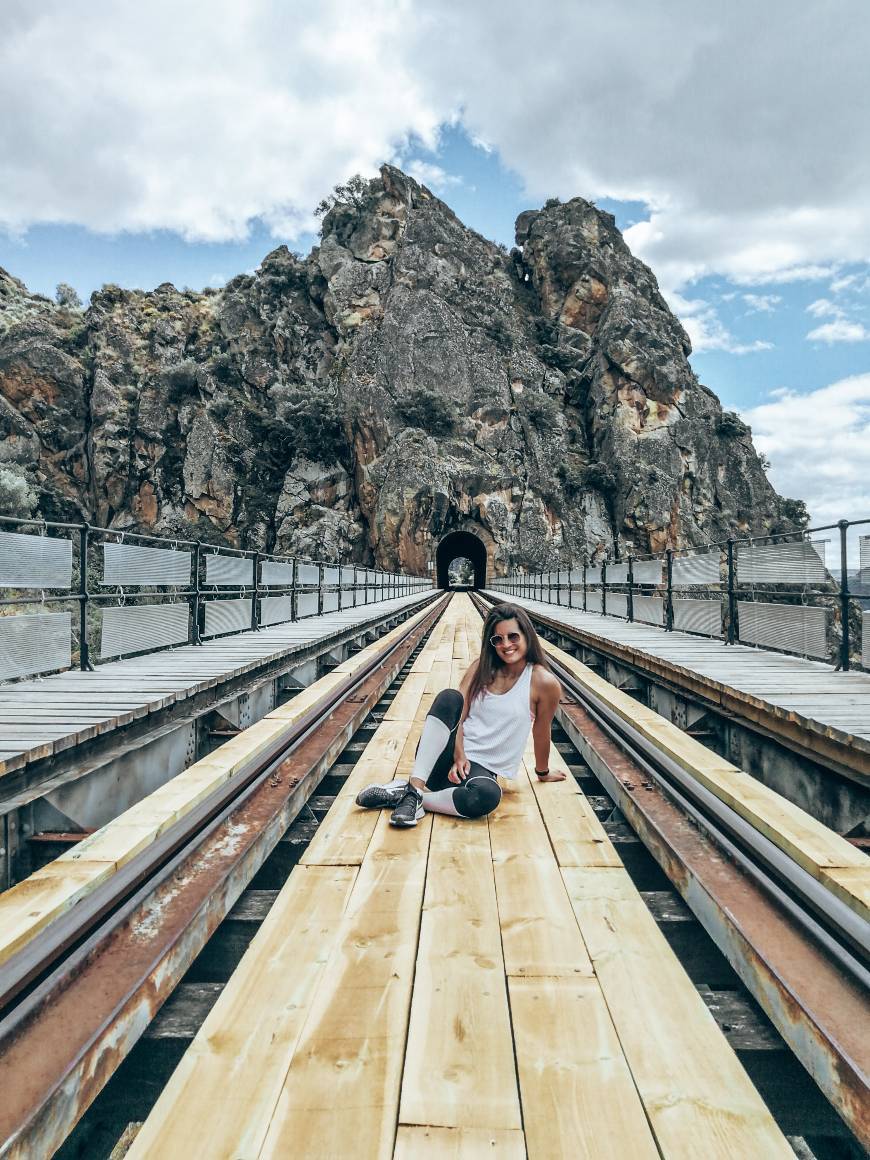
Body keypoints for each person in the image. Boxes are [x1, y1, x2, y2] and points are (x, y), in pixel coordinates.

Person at [355, 602, 565, 827]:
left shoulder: (544, 683)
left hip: (477, 773)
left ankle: (410, 797)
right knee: (449, 697)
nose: (506, 645)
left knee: (488, 795)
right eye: (498, 639)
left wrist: (542, 772)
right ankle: (415, 786)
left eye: (513, 637)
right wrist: (459, 754)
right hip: (440, 757)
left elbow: (541, 732)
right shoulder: (481, 668)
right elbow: (459, 716)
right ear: (491, 643)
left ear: (527, 636)